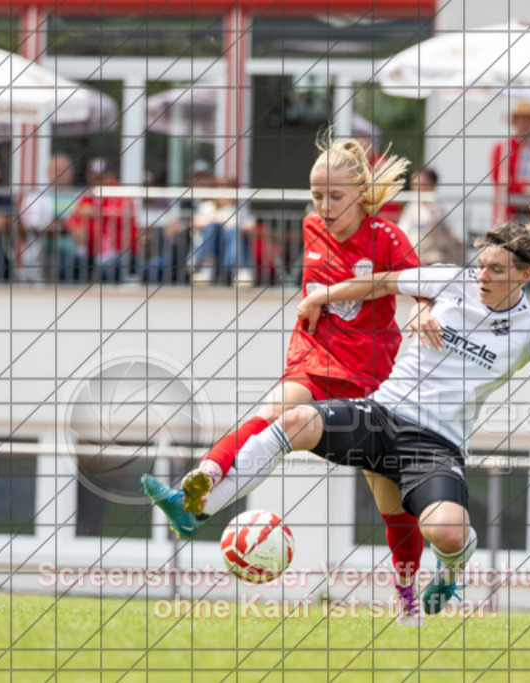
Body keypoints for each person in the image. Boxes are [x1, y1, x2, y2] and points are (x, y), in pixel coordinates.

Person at [146, 213, 530, 619]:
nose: (481, 274)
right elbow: (385, 281)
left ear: (524, 275)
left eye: (496, 269)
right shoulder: (452, 279)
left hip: (436, 445)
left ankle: (449, 574)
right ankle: (199, 509)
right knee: (291, 421)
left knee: (445, 532)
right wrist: (322, 295)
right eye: (480, 263)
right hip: (382, 414)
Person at [143, 131, 433, 621]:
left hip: (372, 380)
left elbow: (423, 285)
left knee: (391, 499)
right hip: (314, 360)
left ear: (361, 195)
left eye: (334, 196)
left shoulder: (387, 237)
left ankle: (406, 594)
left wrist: (424, 312)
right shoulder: (311, 226)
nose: (323, 205)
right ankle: (200, 485)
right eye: (316, 194)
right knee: (272, 413)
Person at [66, 158, 140, 282]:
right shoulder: (89, 195)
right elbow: (73, 218)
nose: (97, 182)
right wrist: (76, 227)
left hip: (121, 253)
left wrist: (96, 212)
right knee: (69, 264)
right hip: (93, 254)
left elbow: (122, 214)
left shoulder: (121, 194)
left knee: (108, 268)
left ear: (111, 177)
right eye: (93, 177)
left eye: (101, 178)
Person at [18, 154, 81, 282]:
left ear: (71, 173)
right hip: (44, 251)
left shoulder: (80, 198)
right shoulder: (35, 198)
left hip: (73, 252)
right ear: (47, 173)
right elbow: (24, 224)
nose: (60, 174)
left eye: (64, 170)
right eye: (55, 170)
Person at [491, 101, 530, 225]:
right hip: (509, 211)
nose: (524, 123)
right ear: (515, 121)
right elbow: (499, 179)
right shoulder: (502, 148)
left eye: (528, 120)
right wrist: (526, 186)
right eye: (521, 119)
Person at [397, 167, 464, 265]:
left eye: (421, 183)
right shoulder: (411, 207)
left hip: (430, 260)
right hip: (410, 258)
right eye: (414, 183)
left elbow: (438, 241)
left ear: (432, 185)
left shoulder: (437, 210)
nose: (416, 187)